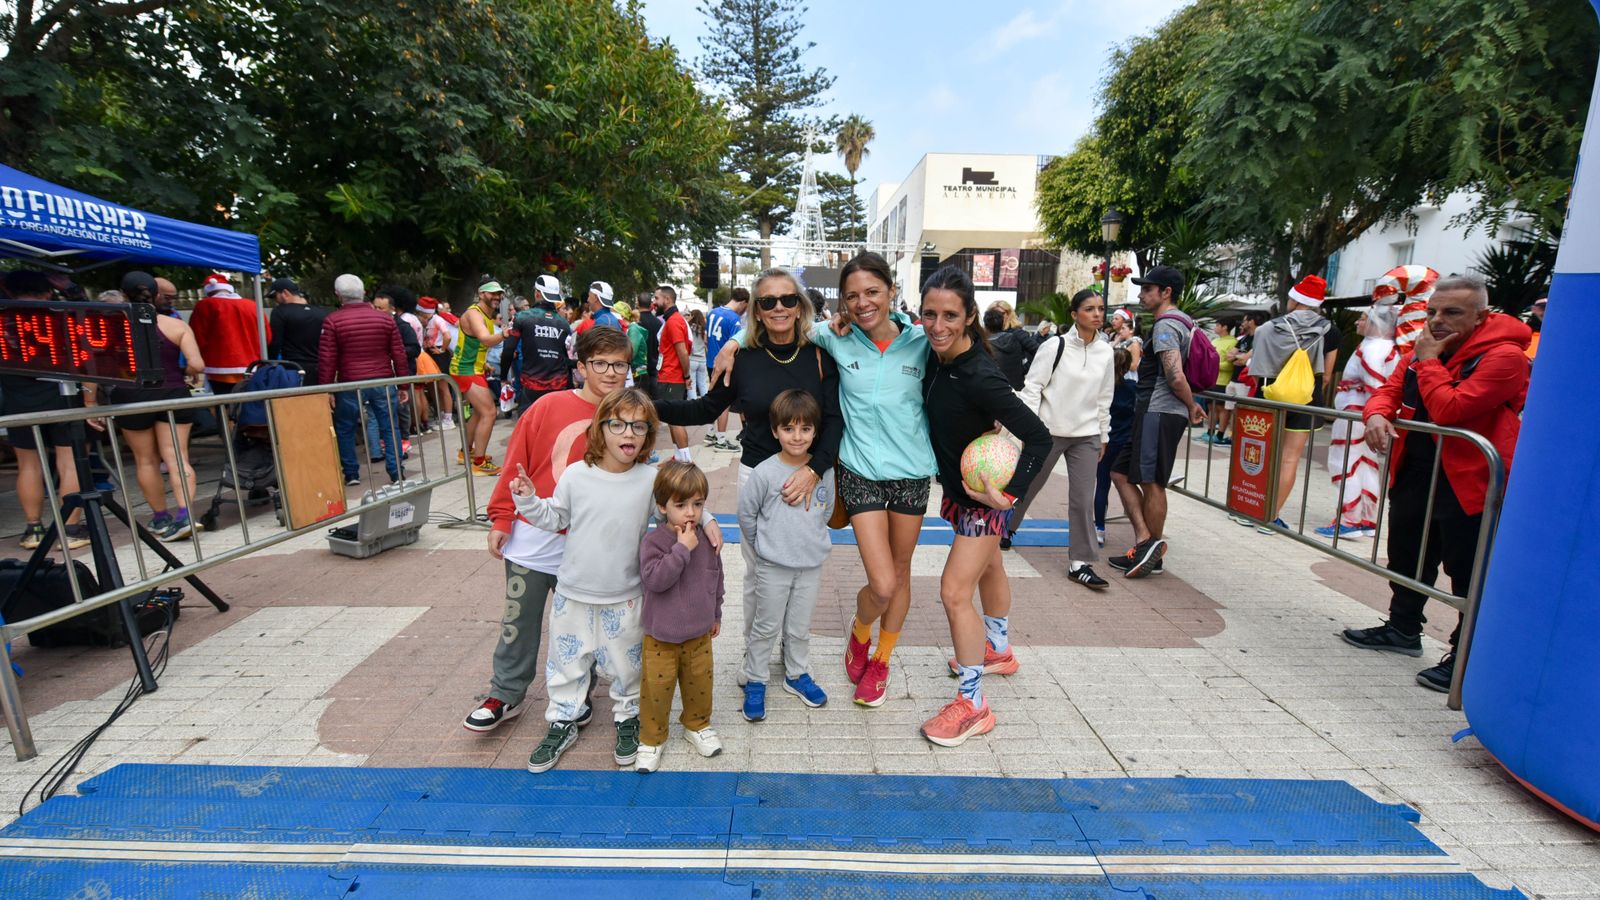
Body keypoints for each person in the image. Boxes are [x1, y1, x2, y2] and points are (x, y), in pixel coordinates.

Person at [710, 253, 930, 709]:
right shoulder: (832, 338)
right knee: (862, 582)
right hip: (854, 471)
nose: (863, 302)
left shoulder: (920, 341)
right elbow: (769, 326)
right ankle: (775, 660)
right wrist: (731, 341)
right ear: (842, 304)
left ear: (891, 290)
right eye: (852, 295)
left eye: (872, 292)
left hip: (901, 473)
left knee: (895, 576)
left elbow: (959, 372)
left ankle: (872, 657)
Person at [510, 389, 720, 774]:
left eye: (639, 425)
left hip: (626, 597)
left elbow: (678, 505)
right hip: (573, 593)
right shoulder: (576, 475)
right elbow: (554, 517)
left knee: (628, 668)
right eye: (619, 423)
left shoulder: (649, 480)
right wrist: (527, 500)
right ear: (601, 428)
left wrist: (707, 520)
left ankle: (628, 720)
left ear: (648, 433)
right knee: (566, 664)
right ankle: (563, 720)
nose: (629, 432)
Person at [1341, 274, 1530, 692]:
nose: (1438, 320)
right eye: (1432, 312)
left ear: (1482, 316)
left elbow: (1450, 409)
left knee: (1468, 571)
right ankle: (1403, 629)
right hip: (1418, 469)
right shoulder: (1426, 349)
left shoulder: (1504, 357)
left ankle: (1467, 658)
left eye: (1452, 312)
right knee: (1407, 555)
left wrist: (1427, 361)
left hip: (1471, 480)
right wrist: (1375, 414)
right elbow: (1389, 390)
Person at [467, 327, 632, 735]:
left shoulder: (630, 417)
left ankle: (579, 695)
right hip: (533, 543)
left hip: (589, 547)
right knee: (518, 621)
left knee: (584, 626)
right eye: (600, 363)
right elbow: (517, 463)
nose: (610, 372)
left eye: (620, 364)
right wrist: (502, 517)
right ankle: (504, 693)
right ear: (581, 367)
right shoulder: (546, 408)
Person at [917, 266, 1052, 747]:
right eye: (929, 313)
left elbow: (1039, 437)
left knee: (955, 592)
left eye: (950, 315)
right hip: (961, 492)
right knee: (991, 566)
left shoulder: (979, 374)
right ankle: (997, 650)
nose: (937, 325)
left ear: (970, 316)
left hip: (982, 502)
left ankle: (973, 705)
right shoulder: (936, 357)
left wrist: (1009, 495)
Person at [735, 390, 836, 720]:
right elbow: (747, 515)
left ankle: (796, 674)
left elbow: (826, 511)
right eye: (789, 428)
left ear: (815, 432)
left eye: (805, 429)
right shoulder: (765, 472)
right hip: (773, 566)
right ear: (776, 430)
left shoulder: (823, 471)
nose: (797, 436)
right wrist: (766, 547)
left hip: (810, 565)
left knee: (799, 626)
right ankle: (756, 678)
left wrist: (806, 540)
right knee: (765, 626)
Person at [1009, 289, 1114, 589]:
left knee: (1083, 500)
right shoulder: (1055, 345)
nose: (1097, 314)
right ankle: (1005, 529)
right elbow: (1032, 388)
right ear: (1074, 314)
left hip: (1087, 435)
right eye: (1090, 309)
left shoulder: (1106, 352)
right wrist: (1030, 430)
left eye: (1100, 309)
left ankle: (1080, 562)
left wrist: (1103, 434)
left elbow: (1105, 397)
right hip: (1048, 432)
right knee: (1027, 486)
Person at [1107, 266, 1205, 578]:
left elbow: (1175, 375)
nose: (1141, 294)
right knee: (1120, 472)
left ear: (1166, 292)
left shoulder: (1166, 326)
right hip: (1156, 411)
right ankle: (1146, 542)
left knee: (1151, 481)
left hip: (1159, 411)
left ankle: (1152, 553)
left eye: (1148, 289)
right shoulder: (1183, 321)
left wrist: (1191, 406)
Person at [98, 274, 205, 541]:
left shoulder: (110, 328)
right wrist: (187, 373)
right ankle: (185, 514)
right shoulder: (175, 325)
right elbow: (197, 364)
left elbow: (96, 367)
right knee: (177, 457)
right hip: (172, 392)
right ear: (157, 294)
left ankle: (160, 517)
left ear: (123, 294)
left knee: (145, 460)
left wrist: (90, 402)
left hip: (131, 396)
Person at [635, 461, 725, 772]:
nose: (690, 513)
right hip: (661, 636)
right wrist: (682, 550)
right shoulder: (655, 542)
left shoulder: (708, 539)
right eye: (681, 505)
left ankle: (697, 724)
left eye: (698, 504)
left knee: (700, 683)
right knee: (656, 691)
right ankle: (652, 738)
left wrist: (716, 614)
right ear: (662, 507)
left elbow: (716, 579)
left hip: (699, 633)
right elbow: (655, 580)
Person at [1233, 274, 1341, 532]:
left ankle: (1250, 510)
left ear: (1295, 298)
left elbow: (1256, 367)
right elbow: (1326, 376)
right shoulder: (1331, 330)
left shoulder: (1268, 328)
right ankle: (1271, 518)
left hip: (1268, 396)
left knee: (1263, 454)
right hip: (1305, 401)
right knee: (1289, 459)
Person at [2, 270, 89, 550]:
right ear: (48, 290)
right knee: (69, 462)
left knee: (28, 464)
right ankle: (71, 528)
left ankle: (33, 529)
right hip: (62, 397)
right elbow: (88, 317)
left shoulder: (4, 319)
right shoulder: (59, 314)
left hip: (18, 401)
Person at [1316, 303, 1400, 538]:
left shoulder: (1373, 349)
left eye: (1363, 318)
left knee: (1344, 464)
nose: (1357, 322)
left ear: (1376, 322)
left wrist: (1378, 415)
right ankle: (1365, 518)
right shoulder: (1385, 347)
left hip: (1357, 414)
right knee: (1365, 464)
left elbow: (1377, 387)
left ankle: (1349, 520)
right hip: (1364, 414)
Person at [319, 274, 408, 485]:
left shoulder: (333, 320)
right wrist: (403, 384)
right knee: (390, 426)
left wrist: (327, 389)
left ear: (338, 296)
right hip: (383, 380)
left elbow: (327, 359)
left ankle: (351, 473)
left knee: (345, 427)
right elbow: (399, 353)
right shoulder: (386, 319)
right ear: (364, 294)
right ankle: (396, 472)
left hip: (350, 383)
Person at [450, 280, 507, 475]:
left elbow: (474, 345)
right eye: (492, 293)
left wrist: (484, 364)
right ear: (481, 293)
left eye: (499, 294)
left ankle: (465, 453)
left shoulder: (485, 315)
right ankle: (479, 463)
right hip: (465, 370)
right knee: (490, 412)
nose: (497, 297)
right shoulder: (474, 314)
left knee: (479, 412)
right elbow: (484, 339)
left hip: (473, 368)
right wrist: (504, 334)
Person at [500, 274, 574, 418]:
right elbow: (565, 358)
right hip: (558, 387)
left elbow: (508, 350)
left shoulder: (522, 317)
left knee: (529, 433)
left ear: (537, 293)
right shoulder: (563, 323)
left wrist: (503, 377)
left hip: (531, 388)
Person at [188, 273, 269, 395]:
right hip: (253, 366)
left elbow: (197, 338)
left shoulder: (205, 305)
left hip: (220, 368)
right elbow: (266, 337)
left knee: (226, 407)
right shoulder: (253, 305)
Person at [1093, 348, 1137, 548]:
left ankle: (1099, 528)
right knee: (1129, 486)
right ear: (1128, 366)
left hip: (1105, 441)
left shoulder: (1103, 388)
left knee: (1102, 485)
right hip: (1125, 442)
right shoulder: (1133, 387)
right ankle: (1141, 527)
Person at [702, 288, 748, 450]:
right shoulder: (734, 319)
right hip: (725, 366)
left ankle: (710, 433)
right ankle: (721, 440)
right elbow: (736, 346)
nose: (744, 312)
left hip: (711, 362)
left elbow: (706, 339)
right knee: (723, 404)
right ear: (743, 302)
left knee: (711, 397)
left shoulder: (712, 312)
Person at [653, 286, 693, 461]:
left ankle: (686, 460)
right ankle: (679, 457)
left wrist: (686, 376)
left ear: (667, 300)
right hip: (669, 376)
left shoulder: (674, 321)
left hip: (673, 377)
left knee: (675, 419)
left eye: (657, 298)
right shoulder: (673, 320)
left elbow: (682, 352)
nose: (654, 302)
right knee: (671, 418)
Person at [266, 277, 327, 385]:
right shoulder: (322, 312)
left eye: (275, 296)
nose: (275, 301)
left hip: (292, 370)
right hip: (320, 369)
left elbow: (275, 343)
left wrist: (268, 363)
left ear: (285, 293)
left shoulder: (280, 312)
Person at [417, 295, 456, 430]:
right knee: (433, 387)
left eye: (421, 313)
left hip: (439, 354)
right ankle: (441, 417)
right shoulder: (426, 322)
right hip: (430, 354)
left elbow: (448, 335)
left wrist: (443, 349)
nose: (419, 315)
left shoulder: (437, 320)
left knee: (443, 387)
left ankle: (448, 419)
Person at [1222, 312, 1264, 439]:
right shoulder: (1243, 338)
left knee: (1241, 411)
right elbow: (1229, 356)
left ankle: (1238, 437)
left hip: (1246, 381)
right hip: (1234, 379)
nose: (1242, 323)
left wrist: (1239, 357)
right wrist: (1239, 356)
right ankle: (1230, 436)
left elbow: (1244, 360)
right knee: (1229, 409)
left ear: (1252, 322)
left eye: (1245, 320)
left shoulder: (1259, 338)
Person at [982, 300, 1039, 391]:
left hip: (1014, 386)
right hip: (992, 386)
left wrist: (1022, 369)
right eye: (994, 313)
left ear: (1008, 315)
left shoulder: (1018, 333)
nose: (998, 316)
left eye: (1001, 313)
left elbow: (1039, 351)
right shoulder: (986, 336)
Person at [1197, 319, 1237, 445]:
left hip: (1223, 381)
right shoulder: (1214, 341)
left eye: (1218, 325)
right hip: (1211, 379)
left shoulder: (1233, 342)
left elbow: (1230, 364)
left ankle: (1220, 434)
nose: (1215, 327)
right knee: (1211, 407)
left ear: (1225, 327)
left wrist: (1213, 365)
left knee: (1222, 408)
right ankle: (1210, 432)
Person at [636, 294, 662, 398]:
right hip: (655, 365)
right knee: (654, 401)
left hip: (639, 367)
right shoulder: (658, 322)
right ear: (651, 304)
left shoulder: (636, 322)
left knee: (640, 398)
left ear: (638, 304)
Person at [1110, 309, 1143, 379]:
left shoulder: (1135, 343)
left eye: (1123, 328)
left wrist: (1118, 362)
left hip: (1129, 378)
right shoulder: (1124, 342)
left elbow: (1134, 366)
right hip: (1121, 377)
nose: (1121, 331)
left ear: (1131, 330)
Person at [686, 309, 709, 400]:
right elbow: (706, 343)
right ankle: (706, 405)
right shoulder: (704, 329)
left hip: (692, 359)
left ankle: (693, 406)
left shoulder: (690, 328)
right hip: (702, 360)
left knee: (692, 385)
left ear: (693, 316)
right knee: (703, 384)